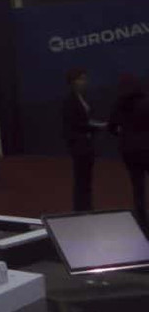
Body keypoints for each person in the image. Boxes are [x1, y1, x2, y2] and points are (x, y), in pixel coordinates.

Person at [108, 74, 149, 228]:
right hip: (147, 149)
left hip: (129, 151)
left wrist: (123, 133)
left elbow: (111, 128)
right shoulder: (146, 103)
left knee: (137, 187)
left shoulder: (118, 105)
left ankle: (142, 222)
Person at [62, 67, 97, 211]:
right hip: (79, 145)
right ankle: (80, 209)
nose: (85, 82)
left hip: (87, 144)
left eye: (85, 79)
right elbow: (73, 124)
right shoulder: (69, 100)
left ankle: (86, 207)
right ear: (73, 81)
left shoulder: (81, 98)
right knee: (81, 179)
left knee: (86, 179)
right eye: (81, 79)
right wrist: (95, 127)